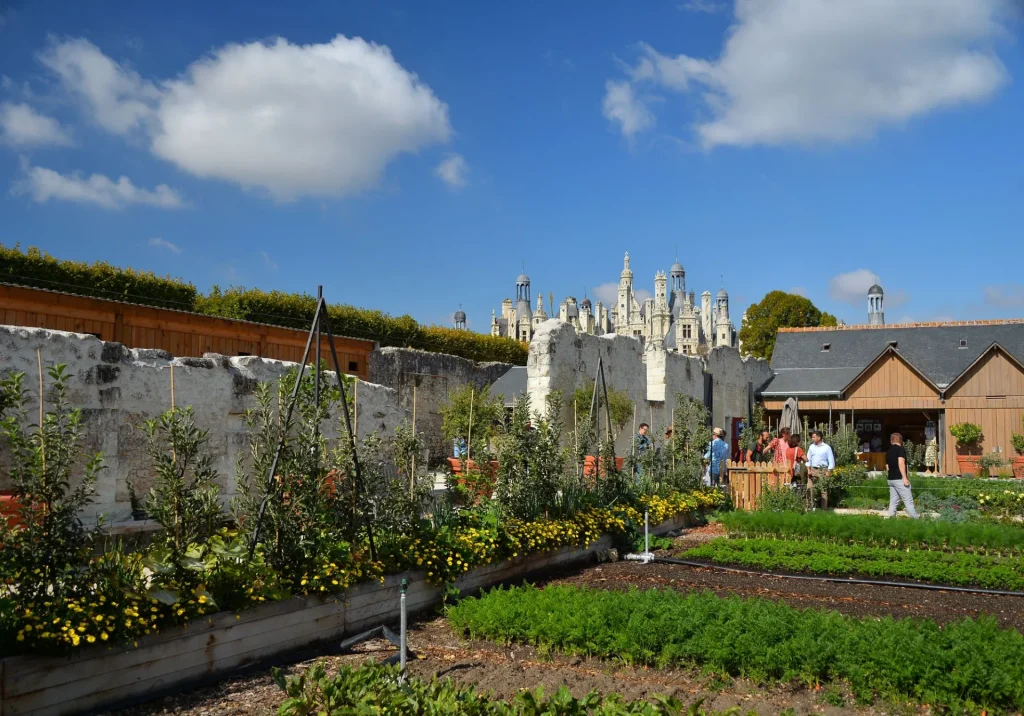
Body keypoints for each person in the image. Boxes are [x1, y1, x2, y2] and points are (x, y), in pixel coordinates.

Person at [885, 433, 919, 519]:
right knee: (908, 501)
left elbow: (887, 467)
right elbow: (901, 463)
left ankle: (891, 519)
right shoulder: (901, 449)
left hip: (891, 479)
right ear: (901, 441)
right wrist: (905, 478)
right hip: (899, 479)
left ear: (891, 441)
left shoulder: (888, 451)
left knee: (893, 501)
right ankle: (916, 520)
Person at [806, 430, 836, 509]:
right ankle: (810, 507)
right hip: (812, 469)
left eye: (813, 437)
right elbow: (808, 459)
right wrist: (808, 469)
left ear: (819, 438)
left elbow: (831, 460)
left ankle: (824, 509)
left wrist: (829, 471)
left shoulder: (827, 448)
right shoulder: (811, 447)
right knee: (809, 488)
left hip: (823, 470)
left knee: (823, 490)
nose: (812, 438)